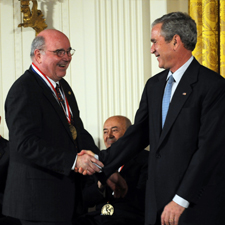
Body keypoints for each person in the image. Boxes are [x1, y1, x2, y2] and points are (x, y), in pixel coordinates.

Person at [80, 12, 225, 225]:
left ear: (175, 41)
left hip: (194, 204)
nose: (152, 49)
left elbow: (209, 151)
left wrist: (181, 199)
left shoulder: (213, 86)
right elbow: (137, 135)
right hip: (156, 202)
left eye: (154, 42)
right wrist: (100, 163)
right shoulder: (154, 85)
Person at [2, 29, 108, 225]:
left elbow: (77, 133)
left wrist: (104, 169)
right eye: (59, 52)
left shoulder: (63, 87)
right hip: (39, 204)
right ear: (38, 55)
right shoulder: (23, 90)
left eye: (69, 51)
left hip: (67, 200)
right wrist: (74, 161)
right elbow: (24, 144)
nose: (67, 58)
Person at [78, 115, 148, 225]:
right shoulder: (97, 162)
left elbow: (144, 199)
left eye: (114, 130)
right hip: (96, 219)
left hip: (129, 218)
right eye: (105, 132)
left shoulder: (146, 159)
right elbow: (84, 199)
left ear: (129, 134)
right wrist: (100, 185)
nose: (109, 136)